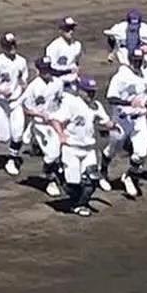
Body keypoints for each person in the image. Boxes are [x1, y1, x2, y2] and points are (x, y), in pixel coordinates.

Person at [54, 75, 111, 216]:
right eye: (88, 92)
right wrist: (61, 135)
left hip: (89, 149)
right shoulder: (72, 104)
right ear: (80, 91)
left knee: (92, 179)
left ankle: (80, 205)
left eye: (93, 92)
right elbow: (56, 120)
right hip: (71, 148)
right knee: (72, 184)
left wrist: (114, 127)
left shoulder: (96, 105)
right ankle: (59, 172)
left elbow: (106, 122)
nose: (91, 95)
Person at [102, 40, 147, 198]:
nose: (137, 63)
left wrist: (145, 104)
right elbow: (110, 98)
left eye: (139, 60)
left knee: (141, 154)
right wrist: (129, 103)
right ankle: (102, 172)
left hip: (139, 120)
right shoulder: (121, 76)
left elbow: (143, 92)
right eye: (135, 61)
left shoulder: (145, 74)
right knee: (113, 149)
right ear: (130, 60)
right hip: (122, 119)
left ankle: (129, 176)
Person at [0, 32, 30, 176]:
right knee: (4, 137)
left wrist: (23, 83)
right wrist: (0, 90)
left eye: (13, 44)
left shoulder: (21, 61)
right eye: (9, 46)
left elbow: (24, 77)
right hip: (0, 103)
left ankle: (12, 160)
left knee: (18, 134)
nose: (12, 48)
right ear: (3, 47)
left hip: (16, 101)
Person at [23, 57, 66, 198]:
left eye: (48, 68)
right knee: (52, 154)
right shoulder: (33, 87)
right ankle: (50, 179)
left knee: (62, 150)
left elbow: (60, 101)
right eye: (43, 69)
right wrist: (37, 113)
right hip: (40, 125)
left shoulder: (58, 83)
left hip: (56, 123)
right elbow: (25, 109)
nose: (46, 71)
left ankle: (56, 172)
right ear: (38, 70)